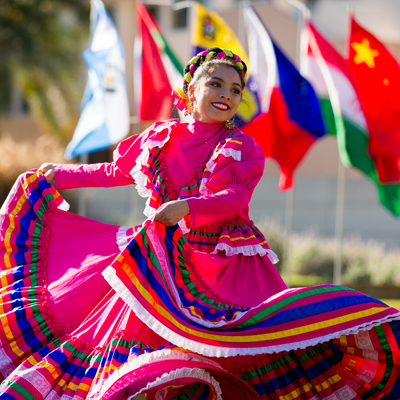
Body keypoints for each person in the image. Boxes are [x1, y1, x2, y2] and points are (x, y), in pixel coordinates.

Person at [1, 47, 400, 400]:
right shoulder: (159, 138)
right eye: (217, 84)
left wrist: (186, 207)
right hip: (159, 261)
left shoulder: (240, 148)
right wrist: (59, 174)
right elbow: (115, 171)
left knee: (241, 343)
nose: (227, 94)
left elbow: (235, 199)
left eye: (235, 90)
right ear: (191, 90)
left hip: (224, 264)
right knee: (136, 339)